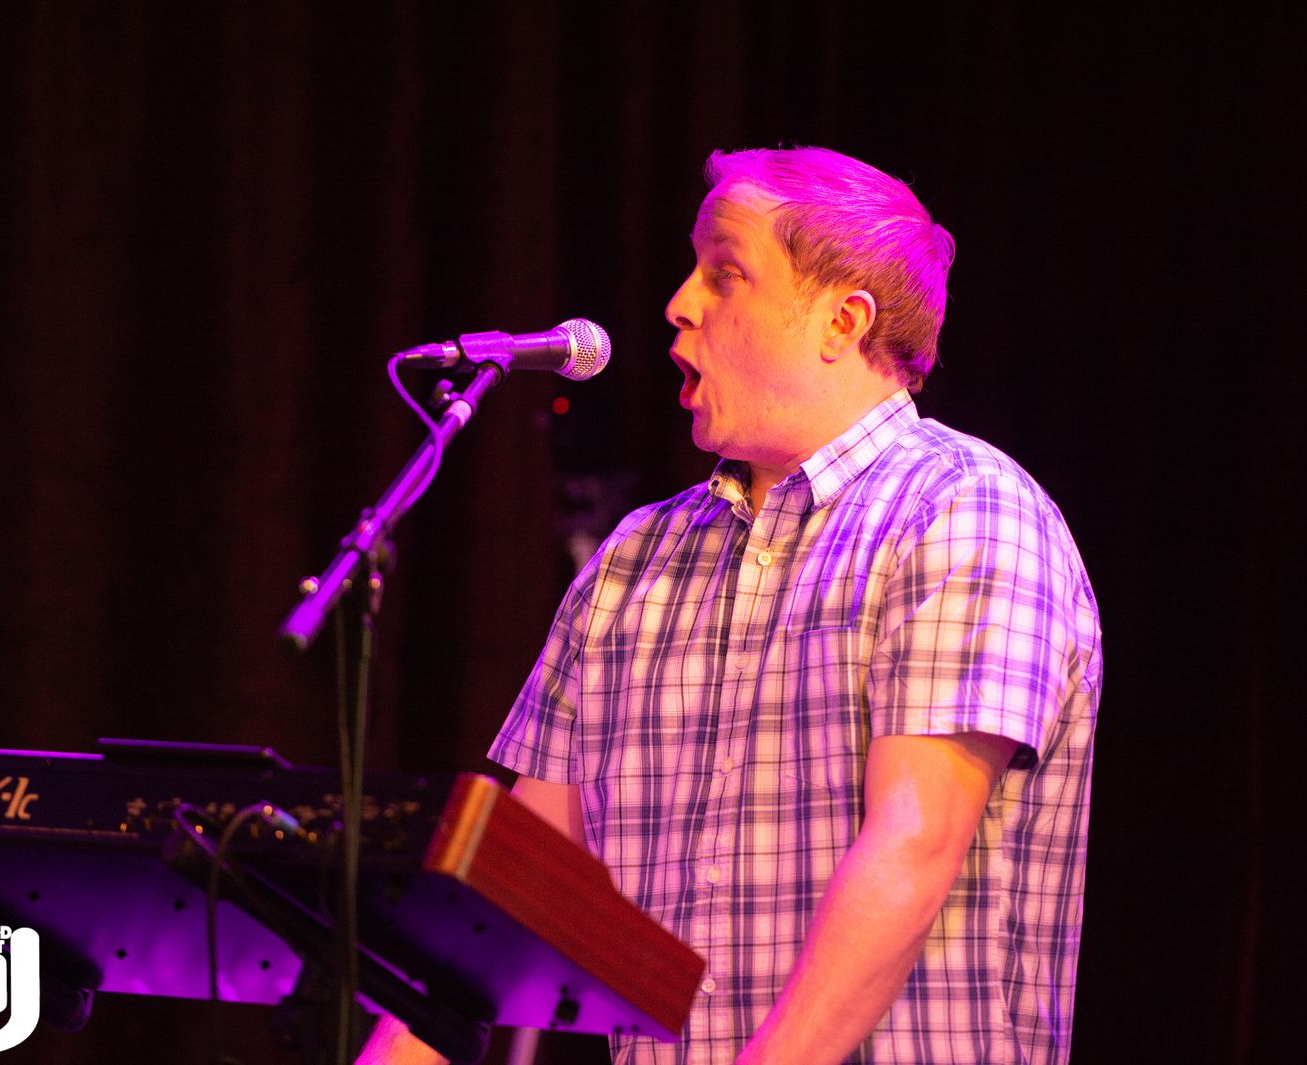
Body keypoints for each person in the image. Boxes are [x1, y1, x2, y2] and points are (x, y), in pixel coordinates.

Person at [361, 146, 1102, 1064]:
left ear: (842, 321)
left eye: (725, 273)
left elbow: (913, 844)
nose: (679, 302)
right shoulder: (634, 561)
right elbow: (514, 895)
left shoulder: (963, 508)